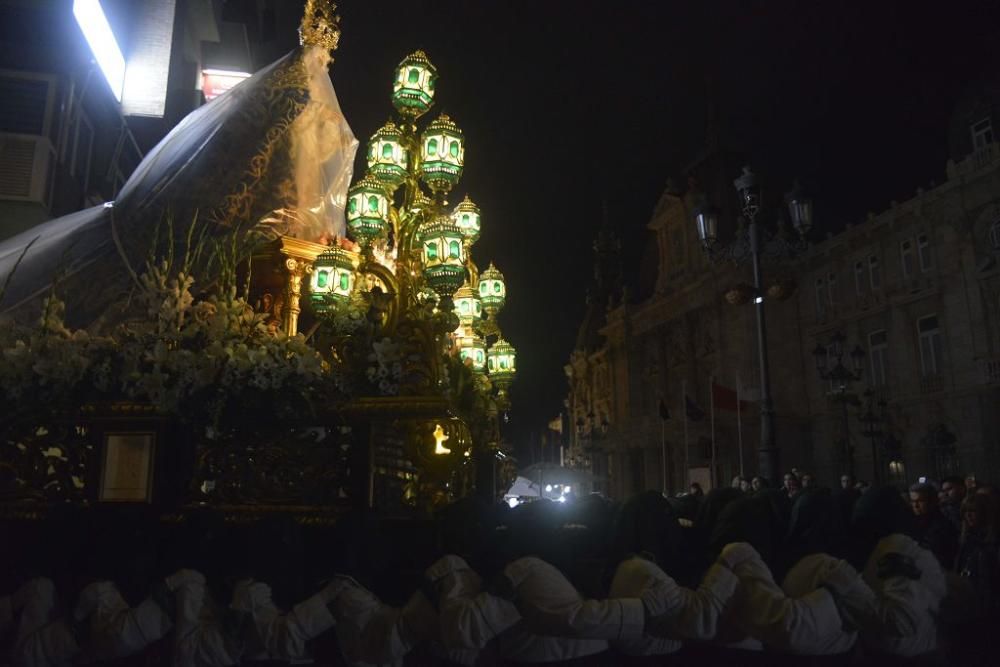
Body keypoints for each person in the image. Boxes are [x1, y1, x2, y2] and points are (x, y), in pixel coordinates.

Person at [909, 482, 959, 570]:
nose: (915, 505)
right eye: (913, 501)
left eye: (920, 501)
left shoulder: (943, 526)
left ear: (932, 501)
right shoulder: (913, 523)